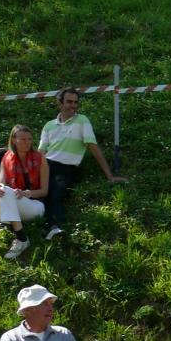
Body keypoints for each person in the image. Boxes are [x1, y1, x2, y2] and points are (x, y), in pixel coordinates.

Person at [38, 88, 127, 240]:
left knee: (54, 194)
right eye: (69, 102)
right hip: (45, 165)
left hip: (65, 167)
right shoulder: (49, 125)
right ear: (59, 103)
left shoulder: (82, 120)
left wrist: (110, 176)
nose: (73, 105)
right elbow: (41, 153)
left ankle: (55, 228)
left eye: (75, 102)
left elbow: (93, 147)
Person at [0, 125, 50, 264]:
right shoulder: (6, 158)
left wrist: (26, 193)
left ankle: (22, 239)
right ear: (14, 140)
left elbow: (44, 191)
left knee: (8, 191)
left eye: (29, 139)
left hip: (35, 205)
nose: (27, 142)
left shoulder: (40, 158)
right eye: (23, 139)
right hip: (10, 205)